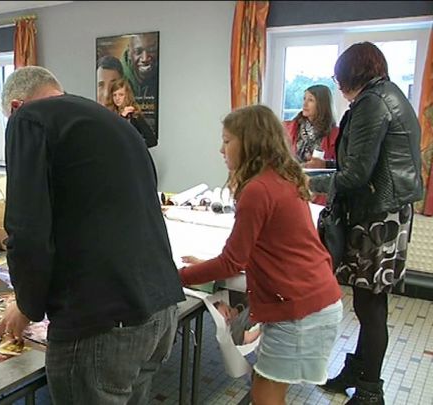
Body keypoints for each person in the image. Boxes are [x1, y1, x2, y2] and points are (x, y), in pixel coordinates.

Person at [0, 66, 184, 404]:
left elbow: (27, 230)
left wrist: (26, 305)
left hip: (103, 326)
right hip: (160, 308)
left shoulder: (28, 119)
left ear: (14, 106)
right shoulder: (111, 121)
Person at [179, 105, 343, 405]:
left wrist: (176, 276)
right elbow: (258, 250)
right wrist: (206, 266)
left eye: (227, 140)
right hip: (314, 299)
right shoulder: (280, 178)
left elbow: (232, 261)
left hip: (299, 310)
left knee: (266, 395)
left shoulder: (257, 190)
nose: (221, 149)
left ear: (249, 142)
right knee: (264, 387)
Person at [309, 42, 423, 404]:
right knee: (368, 304)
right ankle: (358, 371)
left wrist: (307, 182)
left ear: (350, 73)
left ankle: (371, 391)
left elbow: (356, 173)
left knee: (371, 307)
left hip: (379, 218)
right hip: (385, 212)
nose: (337, 82)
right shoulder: (386, 95)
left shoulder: (373, 103)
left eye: (337, 75)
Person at [284, 84, 339, 205]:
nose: (304, 104)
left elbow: (342, 168)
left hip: (320, 195)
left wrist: (324, 165)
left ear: (322, 104)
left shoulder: (336, 134)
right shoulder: (288, 128)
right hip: (290, 189)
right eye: (304, 99)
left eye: (310, 100)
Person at [106, 78, 158, 147]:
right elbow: (111, 138)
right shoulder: (110, 114)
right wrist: (122, 116)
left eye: (121, 95)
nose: (117, 98)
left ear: (127, 96)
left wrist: (133, 147)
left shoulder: (134, 115)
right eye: (114, 95)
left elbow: (152, 140)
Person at [121, 33, 159, 100]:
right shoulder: (117, 77)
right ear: (129, 53)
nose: (145, 59)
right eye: (138, 51)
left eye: (152, 50)